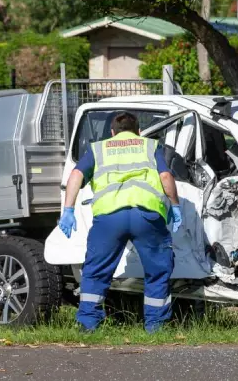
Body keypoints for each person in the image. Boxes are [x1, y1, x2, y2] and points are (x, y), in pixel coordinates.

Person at [58, 112, 183, 333]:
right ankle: (156, 326)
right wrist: (174, 205)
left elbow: (76, 174)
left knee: (95, 271)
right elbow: (165, 177)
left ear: (113, 132)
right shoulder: (150, 146)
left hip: (109, 217)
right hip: (146, 215)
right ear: (138, 131)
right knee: (157, 270)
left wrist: (68, 209)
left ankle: (88, 324)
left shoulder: (99, 148)